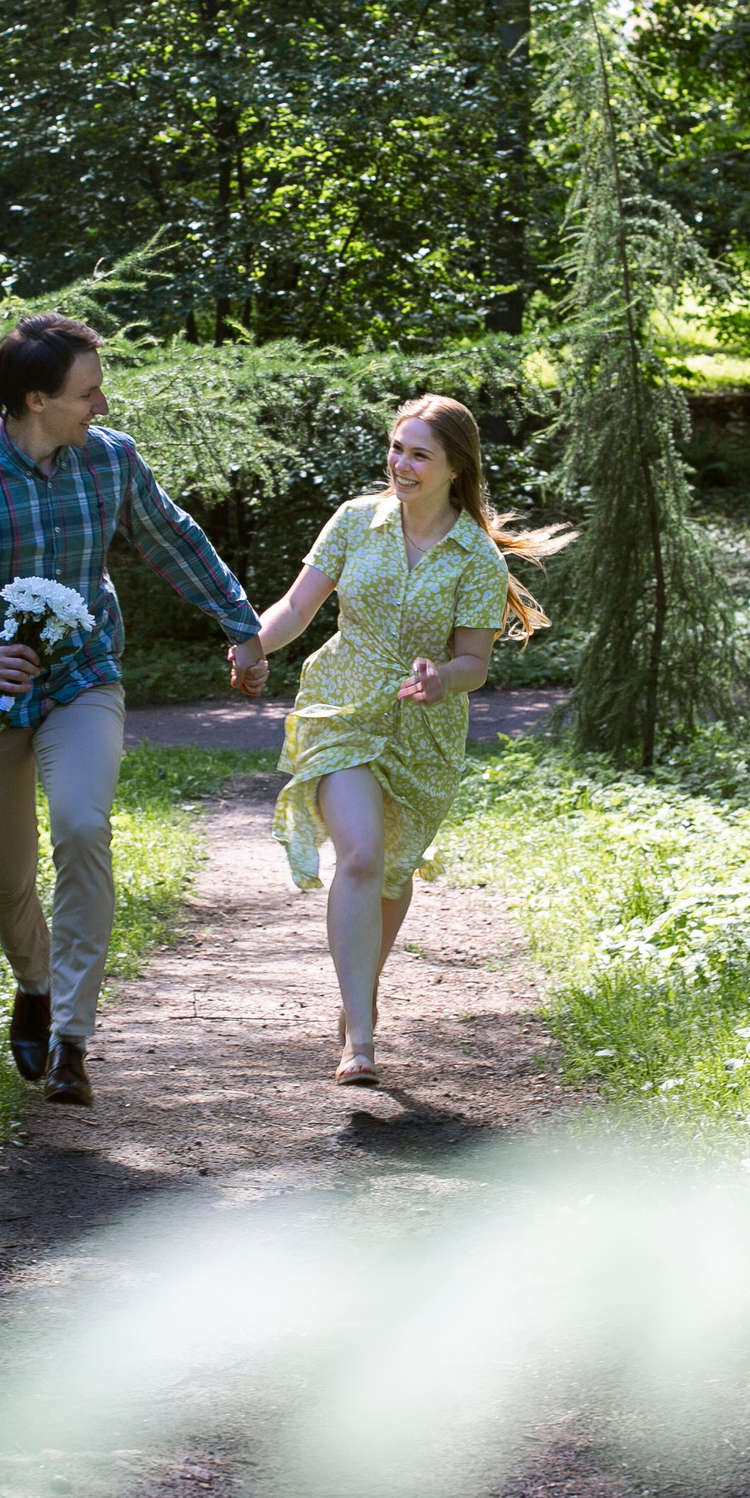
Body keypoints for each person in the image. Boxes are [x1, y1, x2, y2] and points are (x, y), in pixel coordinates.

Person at [0, 314, 268, 1105]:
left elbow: (174, 539)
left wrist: (243, 628)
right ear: (35, 399)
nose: (103, 406)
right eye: (88, 393)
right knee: (7, 877)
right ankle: (36, 981)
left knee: (83, 828)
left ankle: (70, 1039)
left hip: (83, 678)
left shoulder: (110, 459)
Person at [230, 395, 571, 1084]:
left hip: (423, 731)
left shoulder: (475, 556)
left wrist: (441, 678)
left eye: (420, 454)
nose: (401, 464)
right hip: (342, 708)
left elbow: (474, 662)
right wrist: (251, 646)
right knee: (360, 855)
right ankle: (360, 1037)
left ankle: (359, 991)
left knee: (390, 871)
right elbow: (297, 607)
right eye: (396, 448)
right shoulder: (356, 521)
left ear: (454, 468)